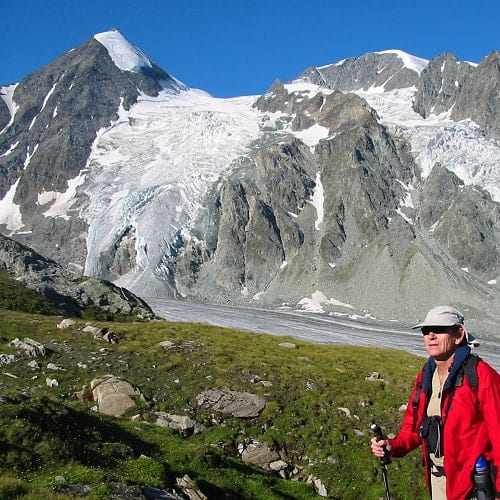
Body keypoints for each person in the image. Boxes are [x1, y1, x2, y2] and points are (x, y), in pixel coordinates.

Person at [370, 305, 500, 499]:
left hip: (472, 489)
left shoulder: (481, 375)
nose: (430, 335)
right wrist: (392, 446)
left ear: (458, 335)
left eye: (439, 329)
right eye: (425, 331)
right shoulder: (425, 376)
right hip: (438, 484)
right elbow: (414, 429)